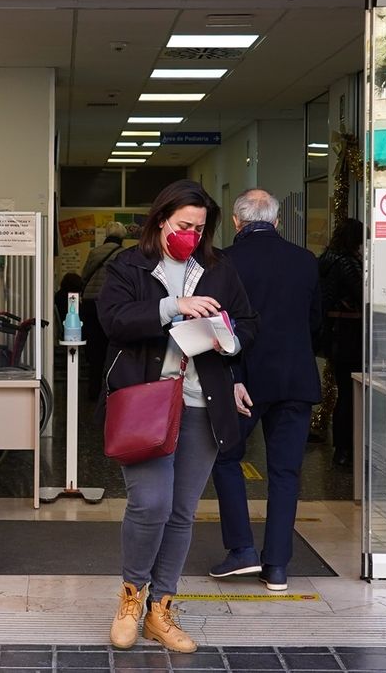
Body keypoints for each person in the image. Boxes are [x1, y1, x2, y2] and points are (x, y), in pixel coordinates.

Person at [95, 180, 258, 653]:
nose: (191, 232)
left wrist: (229, 343)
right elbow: (114, 320)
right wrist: (173, 306)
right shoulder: (130, 265)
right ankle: (132, 595)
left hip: (201, 403)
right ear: (161, 219)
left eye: (200, 226)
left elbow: (247, 323)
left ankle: (160, 610)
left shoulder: (218, 268)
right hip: (146, 403)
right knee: (151, 504)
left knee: (183, 511)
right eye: (184, 224)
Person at [208, 189, 322, 592]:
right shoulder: (306, 261)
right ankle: (276, 567)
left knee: (226, 458)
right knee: (285, 472)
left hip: (243, 379)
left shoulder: (223, 262)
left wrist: (234, 374)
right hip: (295, 379)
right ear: (276, 222)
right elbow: (315, 323)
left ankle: (241, 550)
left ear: (236, 223)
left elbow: (219, 328)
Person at [318, 218, 365, 469]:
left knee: (344, 392)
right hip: (352, 336)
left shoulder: (326, 259)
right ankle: (347, 449)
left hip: (335, 335)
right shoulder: (347, 263)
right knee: (350, 393)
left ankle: (342, 447)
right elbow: (363, 295)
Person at [79, 222, 128, 399]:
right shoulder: (124, 254)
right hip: (111, 304)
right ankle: (110, 393)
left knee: (94, 349)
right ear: (122, 237)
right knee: (112, 347)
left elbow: (84, 276)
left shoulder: (95, 252)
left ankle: (93, 390)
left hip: (91, 304)